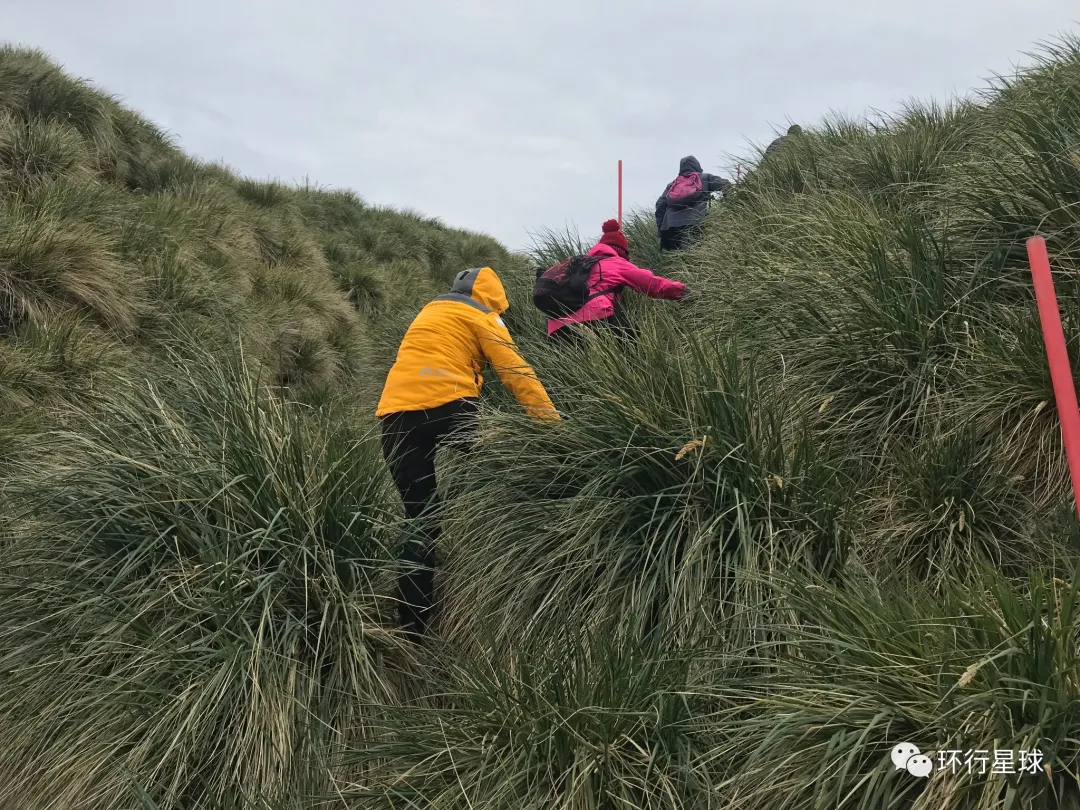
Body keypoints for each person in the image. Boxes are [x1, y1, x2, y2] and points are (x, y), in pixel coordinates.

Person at [376, 266, 559, 638]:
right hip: (451, 406)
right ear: (492, 299)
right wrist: (552, 425)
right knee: (508, 474)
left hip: (394, 416)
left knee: (421, 519)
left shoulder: (428, 312)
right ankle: (539, 543)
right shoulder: (483, 315)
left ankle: (411, 628)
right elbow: (516, 371)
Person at [546, 219, 689, 345]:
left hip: (556, 327)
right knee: (632, 341)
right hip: (593, 319)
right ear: (621, 251)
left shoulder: (576, 265)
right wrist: (682, 292)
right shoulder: (616, 262)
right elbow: (651, 284)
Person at [655, 156, 731, 251]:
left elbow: (660, 205)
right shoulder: (705, 178)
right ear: (697, 166)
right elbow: (725, 184)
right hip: (694, 223)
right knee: (693, 255)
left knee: (677, 256)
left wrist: (661, 231)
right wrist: (730, 205)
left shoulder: (672, 185)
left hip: (670, 228)